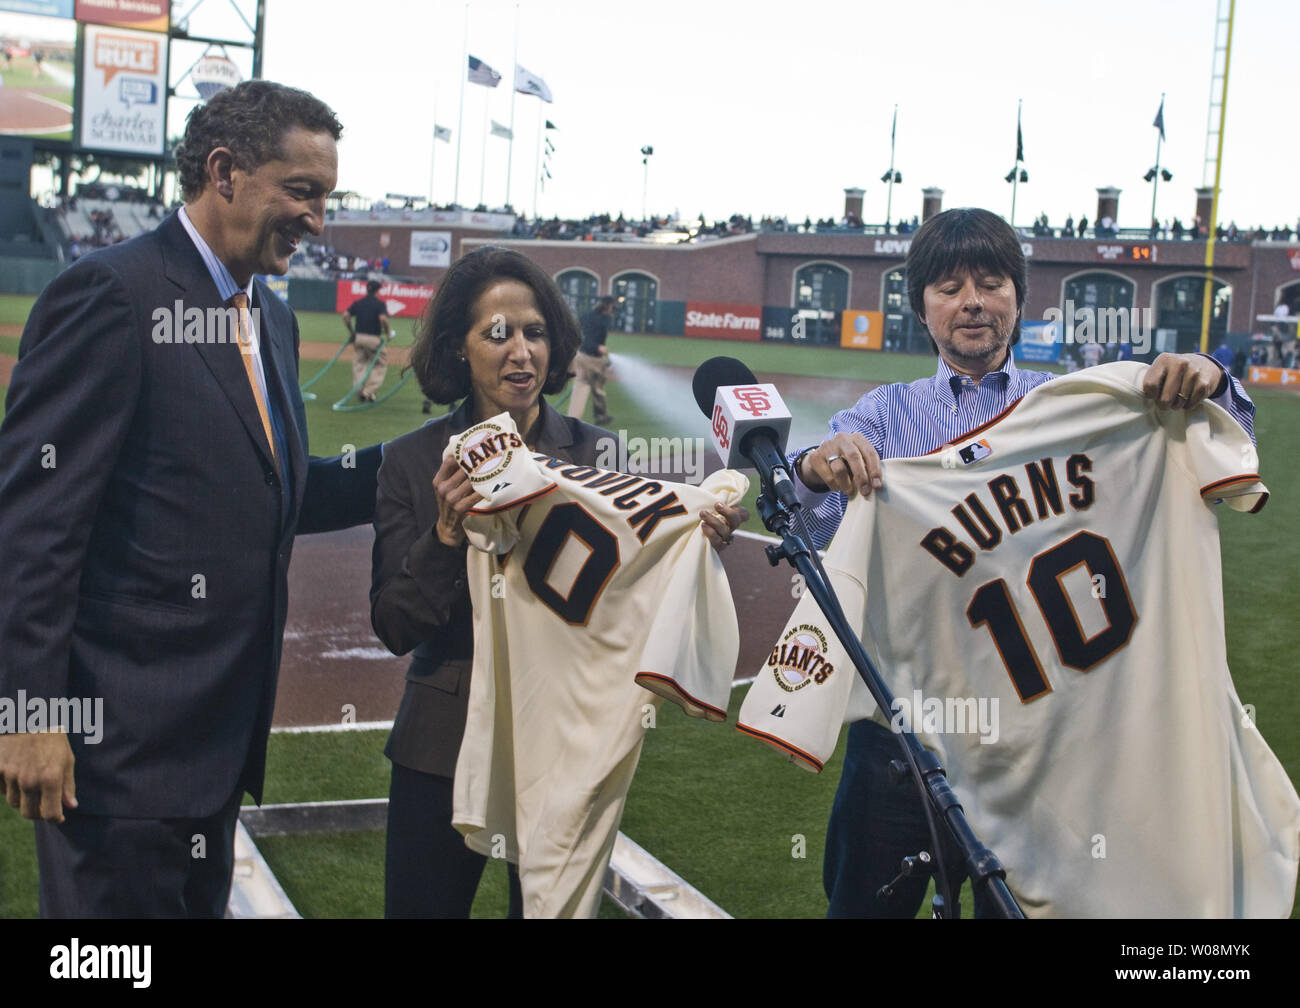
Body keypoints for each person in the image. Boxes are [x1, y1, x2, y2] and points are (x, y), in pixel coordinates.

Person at [786, 207, 1255, 918]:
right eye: (948, 286)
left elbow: (1217, 443)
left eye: (990, 281)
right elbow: (807, 517)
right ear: (922, 308)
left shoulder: (1074, 404)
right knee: (861, 907)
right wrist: (818, 469)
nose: (972, 301)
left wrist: (1211, 380)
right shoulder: (881, 416)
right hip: (904, 730)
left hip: (1045, 728)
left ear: (1019, 295)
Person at [0, 80, 383, 918]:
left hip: (217, 745)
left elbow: (278, 489)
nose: (318, 218)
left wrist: (425, 458)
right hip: (119, 755)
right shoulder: (112, 295)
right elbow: (34, 527)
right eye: (303, 191)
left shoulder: (268, 319)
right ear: (225, 172)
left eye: (327, 196)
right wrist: (29, 714)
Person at [369, 247, 742, 918]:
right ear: (460, 346)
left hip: (566, 738)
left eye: (535, 332)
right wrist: (448, 534)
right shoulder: (413, 461)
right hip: (442, 742)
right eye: (498, 333)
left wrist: (695, 541)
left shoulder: (602, 453)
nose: (521, 352)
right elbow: (395, 624)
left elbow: (636, 591)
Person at [568, 295, 615, 426]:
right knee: (595, 387)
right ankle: (599, 416)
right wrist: (598, 347)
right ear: (607, 306)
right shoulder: (605, 320)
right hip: (594, 359)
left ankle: (575, 418)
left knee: (584, 386)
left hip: (580, 356)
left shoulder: (585, 316)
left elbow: (581, 335)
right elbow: (592, 340)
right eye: (612, 306)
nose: (614, 309)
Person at [342, 277, 390, 402]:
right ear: (377, 291)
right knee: (380, 364)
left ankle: (360, 391)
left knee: (359, 364)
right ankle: (368, 391)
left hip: (359, 338)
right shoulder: (380, 304)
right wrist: (388, 333)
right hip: (373, 339)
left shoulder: (358, 302)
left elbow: (345, 316)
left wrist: (351, 332)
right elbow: (383, 319)